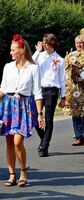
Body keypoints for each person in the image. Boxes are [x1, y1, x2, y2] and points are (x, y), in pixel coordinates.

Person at [0, 34, 44, 187]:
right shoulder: (7, 67)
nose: (10, 52)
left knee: (18, 141)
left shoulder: (33, 68)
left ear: (21, 50)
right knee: (9, 142)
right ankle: (12, 174)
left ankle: (23, 171)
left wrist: (39, 114)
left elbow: (37, 92)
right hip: (8, 105)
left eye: (13, 50)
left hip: (24, 105)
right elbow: (3, 89)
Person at [32, 33, 66, 157]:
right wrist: (37, 51)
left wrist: (63, 96)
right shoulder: (39, 56)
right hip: (39, 90)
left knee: (48, 118)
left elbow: (62, 79)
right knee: (35, 116)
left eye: (45, 42)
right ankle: (43, 138)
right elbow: (30, 63)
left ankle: (45, 145)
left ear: (51, 44)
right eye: (43, 42)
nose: (43, 44)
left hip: (52, 90)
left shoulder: (60, 60)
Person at [65, 35, 84, 147]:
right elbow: (66, 70)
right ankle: (78, 136)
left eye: (81, 43)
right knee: (75, 112)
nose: (79, 45)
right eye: (77, 43)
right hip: (74, 87)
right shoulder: (71, 55)